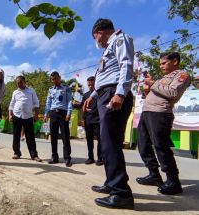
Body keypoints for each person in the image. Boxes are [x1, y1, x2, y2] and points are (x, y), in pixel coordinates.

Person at [84, 18, 134, 209]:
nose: (96, 41)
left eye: (94, 37)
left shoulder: (120, 39)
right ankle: (111, 183)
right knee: (106, 143)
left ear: (99, 32)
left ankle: (121, 193)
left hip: (114, 93)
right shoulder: (108, 49)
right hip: (106, 94)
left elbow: (126, 65)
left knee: (111, 143)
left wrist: (120, 93)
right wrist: (94, 95)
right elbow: (106, 75)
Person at [136, 52, 191, 195]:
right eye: (160, 64)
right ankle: (154, 174)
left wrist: (153, 84)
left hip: (160, 114)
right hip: (147, 112)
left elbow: (173, 93)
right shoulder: (162, 78)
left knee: (161, 147)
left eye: (163, 63)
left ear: (175, 61)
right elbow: (157, 93)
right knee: (143, 145)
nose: (161, 66)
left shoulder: (182, 75)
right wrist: (147, 91)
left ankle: (173, 181)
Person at [9, 75, 42, 162]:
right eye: (17, 83)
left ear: (24, 82)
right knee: (16, 136)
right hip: (17, 116)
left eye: (20, 82)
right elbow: (11, 104)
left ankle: (34, 155)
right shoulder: (15, 92)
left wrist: (36, 115)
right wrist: (10, 115)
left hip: (28, 117)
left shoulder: (31, 91)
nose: (19, 84)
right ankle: (17, 153)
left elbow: (36, 103)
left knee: (30, 137)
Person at [44, 71, 73, 167]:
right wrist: (46, 113)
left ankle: (67, 158)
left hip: (63, 113)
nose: (54, 81)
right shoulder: (50, 89)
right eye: (52, 79)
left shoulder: (66, 88)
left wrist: (69, 113)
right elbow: (48, 102)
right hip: (53, 113)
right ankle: (54, 157)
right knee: (53, 136)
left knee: (65, 136)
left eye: (56, 78)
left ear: (59, 78)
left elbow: (69, 101)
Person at [82, 76, 103, 166]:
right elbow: (83, 108)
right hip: (88, 120)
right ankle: (90, 158)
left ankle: (100, 158)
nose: (90, 86)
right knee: (89, 140)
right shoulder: (85, 95)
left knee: (100, 140)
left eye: (92, 84)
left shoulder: (100, 94)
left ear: (96, 83)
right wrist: (83, 119)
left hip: (98, 120)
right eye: (89, 85)